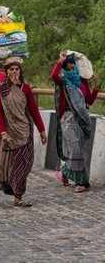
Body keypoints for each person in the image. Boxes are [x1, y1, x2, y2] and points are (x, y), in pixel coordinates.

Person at [0, 57, 47, 206]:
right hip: (9, 132)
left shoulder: (26, 89)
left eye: (17, 69)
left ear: (20, 71)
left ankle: (17, 195)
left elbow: (34, 111)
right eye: (11, 69)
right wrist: (3, 132)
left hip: (24, 131)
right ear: (7, 72)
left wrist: (42, 130)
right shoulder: (1, 90)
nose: (15, 72)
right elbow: (0, 113)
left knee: (24, 164)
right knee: (5, 163)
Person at [51, 53, 100, 193]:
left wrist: (96, 87)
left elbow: (88, 101)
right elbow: (53, 76)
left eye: (74, 63)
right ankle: (82, 182)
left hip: (81, 118)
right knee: (75, 149)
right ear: (66, 65)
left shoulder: (82, 81)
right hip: (68, 117)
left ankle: (65, 173)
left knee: (79, 150)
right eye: (70, 63)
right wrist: (59, 62)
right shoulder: (63, 79)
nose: (72, 65)